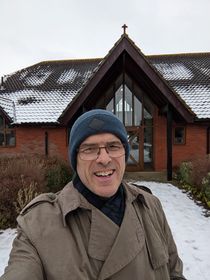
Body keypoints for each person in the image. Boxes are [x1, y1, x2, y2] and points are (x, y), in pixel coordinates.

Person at [1, 109, 186, 280]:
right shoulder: (38, 224)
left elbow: (174, 273)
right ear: (75, 158)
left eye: (113, 146)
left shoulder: (150, 205)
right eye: (89, 149)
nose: (104, 159)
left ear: (124, 153)